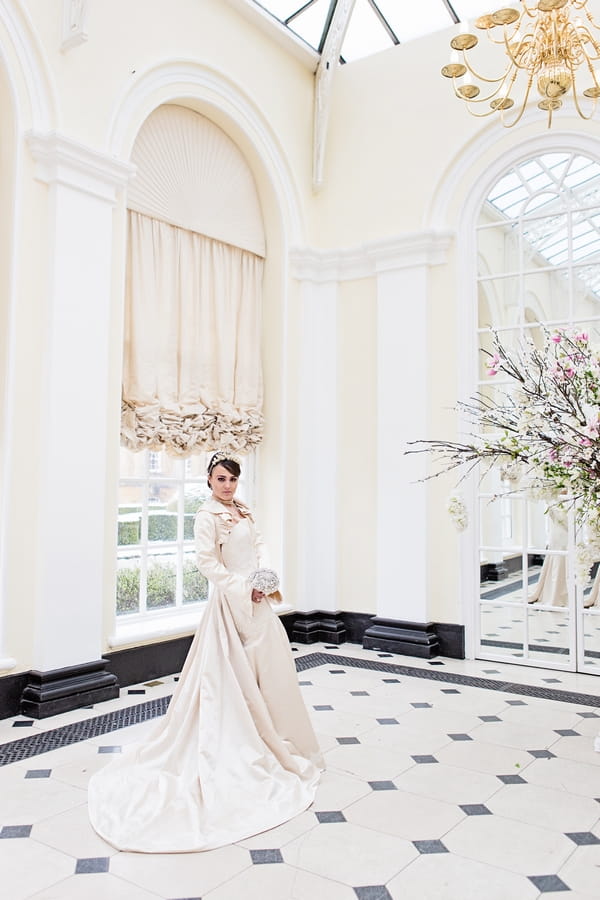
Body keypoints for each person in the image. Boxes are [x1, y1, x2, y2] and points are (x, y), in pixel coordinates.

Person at [88, 451, 323, 852]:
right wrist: (241, 587)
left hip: (258, 600)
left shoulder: (243, 510)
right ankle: (241, 739)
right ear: (209, 481)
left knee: (270, 667)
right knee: (231, 676)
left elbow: (259, 546)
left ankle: (277, 735)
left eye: (232, 479)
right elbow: (205, 563)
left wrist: (264, 578)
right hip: (231, 603)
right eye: (220, 479)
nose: (227, 485)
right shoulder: (206, 516)